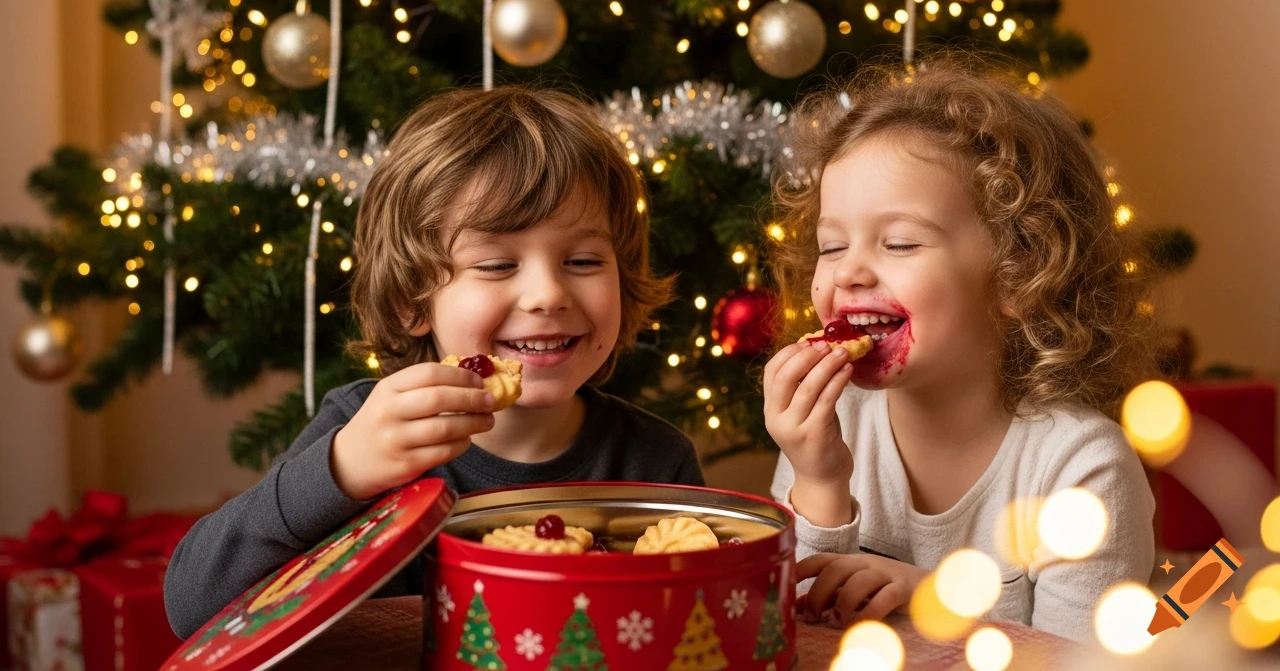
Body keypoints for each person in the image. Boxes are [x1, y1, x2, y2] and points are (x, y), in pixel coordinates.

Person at [165, 85, 703, 639]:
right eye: (496, 265)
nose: (548, 294)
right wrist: (342, 470)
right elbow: (193, 606)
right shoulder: (360, 434)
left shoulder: (657, 463)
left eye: (585, 259)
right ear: (410, 301)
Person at [764, 62, 1155, 642]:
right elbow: (781, 636)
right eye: (832, 245)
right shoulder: (831, 426)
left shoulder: (1079, 467)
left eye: (899, 242)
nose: (847, 270)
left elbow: (1083, 662)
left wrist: (934, 599)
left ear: (1019, 274)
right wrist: (819, 484)